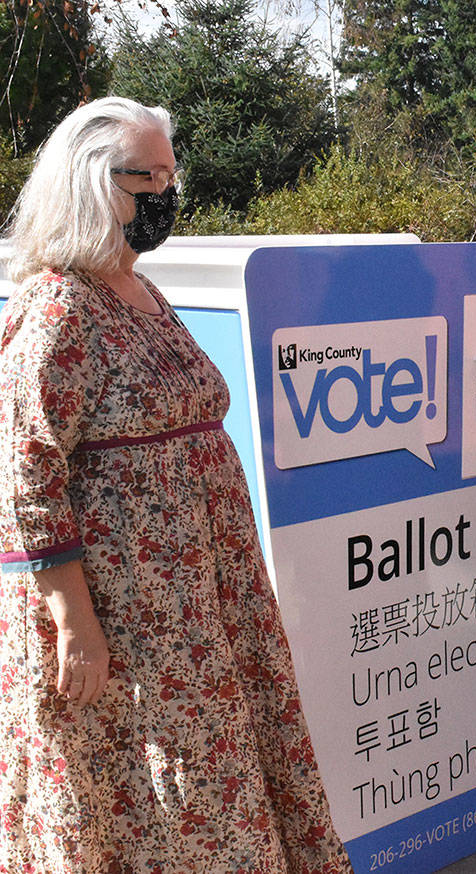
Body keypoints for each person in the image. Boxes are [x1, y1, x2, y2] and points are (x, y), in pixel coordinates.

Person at [0, 97, 353, 872]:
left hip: (203, 600)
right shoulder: (60, 305)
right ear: (91, 185)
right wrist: (75, 624)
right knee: (172, 792)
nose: (166, 193)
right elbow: (25, 474)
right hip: (132, 619)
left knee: (215, 776)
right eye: (146, 177)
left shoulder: (142, 290)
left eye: (170, 173)